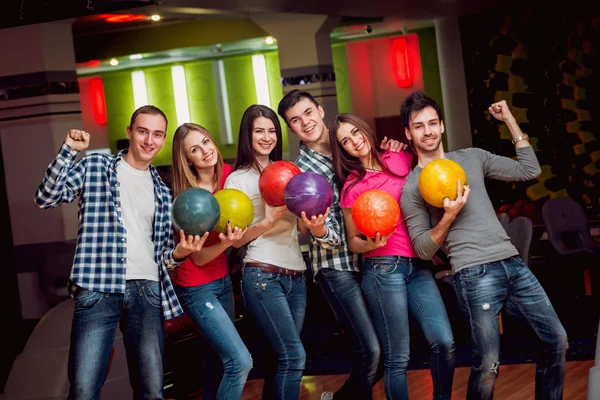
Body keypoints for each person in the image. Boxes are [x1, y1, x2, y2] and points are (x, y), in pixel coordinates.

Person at [399, 91, 568, 400]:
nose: (428, 131)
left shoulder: (472, 157)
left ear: (442, 126)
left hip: (513, 263)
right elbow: (423, 249)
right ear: (408, 133)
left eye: (433, 123)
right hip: (473, 274)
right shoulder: (412, 186)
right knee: (489, 364)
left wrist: (510, 121)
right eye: (419, 126)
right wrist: (449, 215)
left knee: (556, 339)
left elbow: (529, 170)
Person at [34, 105, 207, 399]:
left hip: (148, 290)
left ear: (163, 140)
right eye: (142, 131)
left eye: (157, 134)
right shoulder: (95, 166)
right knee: (84, 390)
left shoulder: (163, 193)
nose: (149, 140)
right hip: (98, 286)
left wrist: (178, 254)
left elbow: (162, 255)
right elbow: (46, 197)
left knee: (152, 391)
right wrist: (68, 150)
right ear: (129, 132)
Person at [277, 90, 404, 400]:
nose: (304, 122)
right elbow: (324, 233)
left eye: (308, 113)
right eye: (295, 120)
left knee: (384, 352)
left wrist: (391, 150)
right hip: (335, 267)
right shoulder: (302, 174)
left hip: (368, 260)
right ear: (292, 130)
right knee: (370, 349)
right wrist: (318, 231)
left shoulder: (345, 149)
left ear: (320, 111)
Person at [329, 113, 456, 400]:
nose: (354, 142)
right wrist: (373, 243)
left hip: (419, 266)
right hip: (382, 269)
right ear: (343, 150)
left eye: (355, 132)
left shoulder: (399, 158)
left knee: (444, 342)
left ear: (365, 129)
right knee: (398, 357)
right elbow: (353, 242)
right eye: (345, 141)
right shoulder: (351, 187)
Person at [225, 104, 326, 400]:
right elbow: (236, 242)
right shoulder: (238, 180)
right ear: (247, 135)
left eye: (272, 131)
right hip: (262, 275)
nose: (267, 137)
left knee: (280, 360)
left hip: (296, 275)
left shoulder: (289, 173)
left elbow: (301, 230)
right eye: (259, 131)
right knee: (294, 357)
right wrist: (268, 220)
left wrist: (312, 221)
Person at [170, 122, 253, 400]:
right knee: (240, 360)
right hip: (196, 287)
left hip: (222, 282)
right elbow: (201, 258)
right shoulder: (188, 200)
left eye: (205, 141)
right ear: (188, 160)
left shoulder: (230, 178)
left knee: (217, 363)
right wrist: (228, 242)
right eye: (195, 149)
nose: (205, 151)